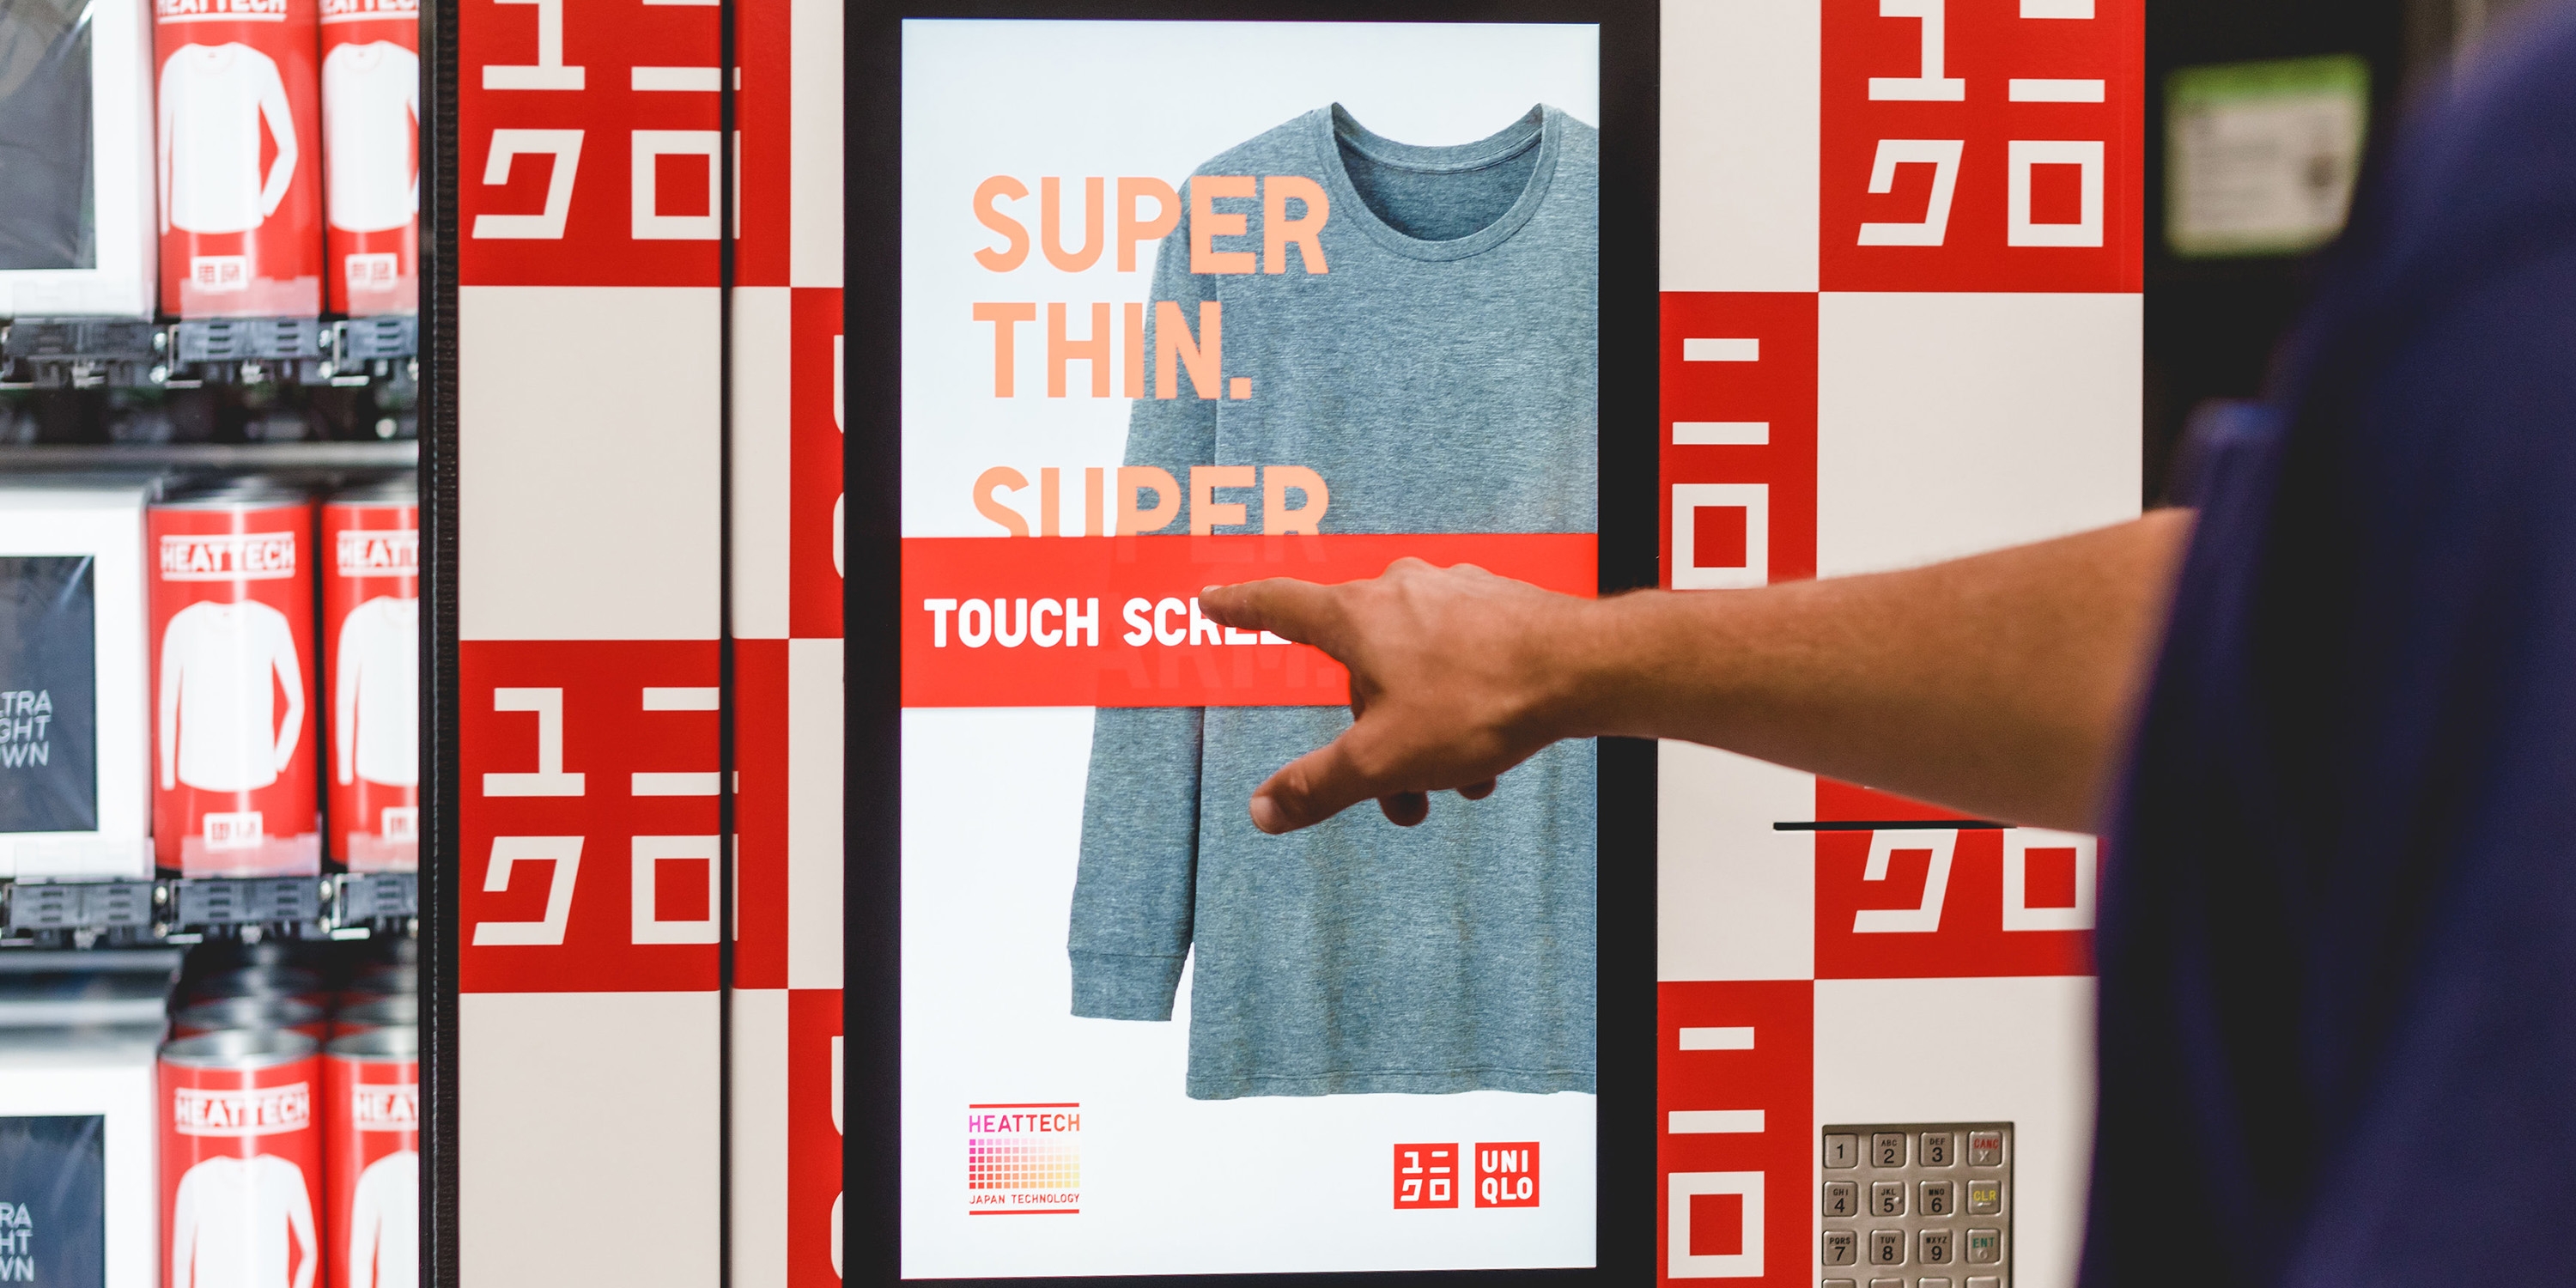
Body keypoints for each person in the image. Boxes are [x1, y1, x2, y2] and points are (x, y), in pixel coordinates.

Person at [1199, 7, 2576, 1283]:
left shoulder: (2521, 207)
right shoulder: (2515, 196)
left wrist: (1563, 658)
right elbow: (2288, 636)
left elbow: (2299, 634)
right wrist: (1563, 658)